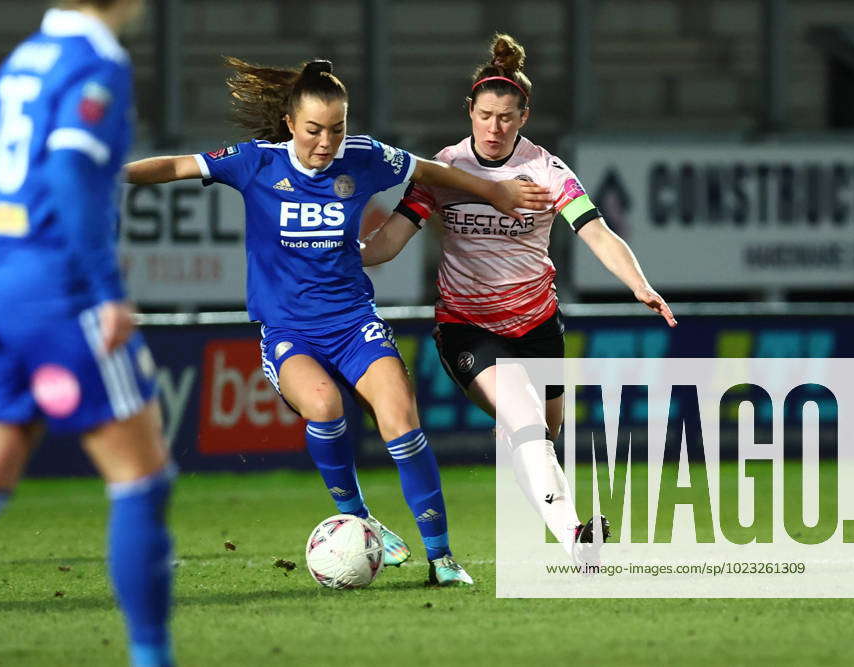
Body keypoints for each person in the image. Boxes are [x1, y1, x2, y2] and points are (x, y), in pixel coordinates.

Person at [124, 57, 550, 586]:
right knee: (324, 407)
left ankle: (441, 559)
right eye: (314, 130)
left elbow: (430, 171)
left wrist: (496, 191)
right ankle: (363, 519)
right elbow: (173, 167)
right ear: (289, 125)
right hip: (288, 332)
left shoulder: (365, 157)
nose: (326, 142)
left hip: (354, 323)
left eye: (337, 128)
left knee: (401, 417)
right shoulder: (254, 163)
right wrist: (105, 178)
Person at [0, 3, 176, 666]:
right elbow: (68, 172)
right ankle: (151, 656)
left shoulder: (25, 57)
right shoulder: (97, 61)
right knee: (143, 479)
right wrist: (106, 289)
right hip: (57, 290)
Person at [361, 34, 677, 562]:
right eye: (484, 115)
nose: (493, 127)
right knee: (526, 420)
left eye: (506, 117)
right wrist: (336, 253)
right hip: (468, 327)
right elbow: (391, 239)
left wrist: (639, 284)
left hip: (538, 327)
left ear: (523, 117)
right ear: (470, 110)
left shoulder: (547, 172)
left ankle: (555, 517)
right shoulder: (446, 169)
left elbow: (596, 232)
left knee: (539, 437)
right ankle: (578, 538)